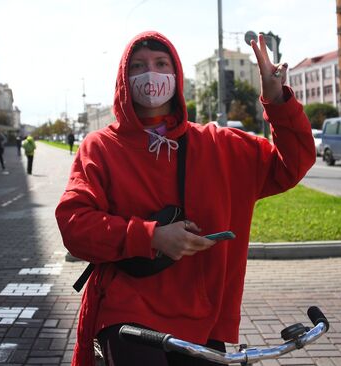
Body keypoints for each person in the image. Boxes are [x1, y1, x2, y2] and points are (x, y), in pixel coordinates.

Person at [55, 31, 315, 366]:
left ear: (176, 76)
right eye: (138, 66)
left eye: (161, 63)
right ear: (123, 78)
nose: (151, 73)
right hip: (127, 312)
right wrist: (151, 236)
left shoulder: (219, 145)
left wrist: (277, 100)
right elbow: (75, 225)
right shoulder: (101, 147)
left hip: (202, 319)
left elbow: (291, 164)